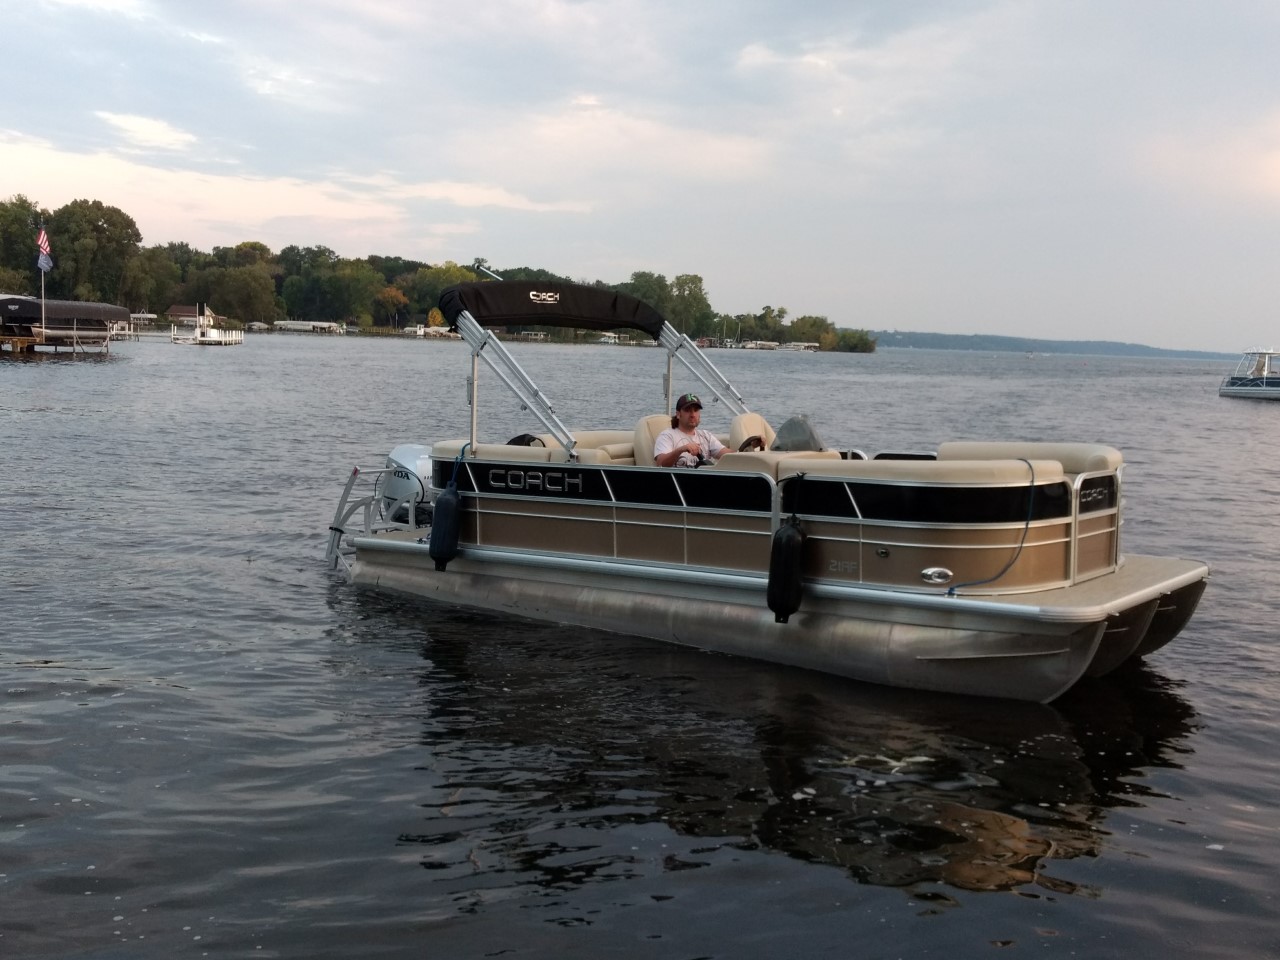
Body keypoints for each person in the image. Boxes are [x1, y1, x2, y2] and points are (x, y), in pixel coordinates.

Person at [653, 393, 727, 467]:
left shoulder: (706, 436)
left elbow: (728, 455)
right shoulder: (667, 436)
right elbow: (661, 463)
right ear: (678, 414)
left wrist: (738, 452)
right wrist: (681, 450)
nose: (693, 415)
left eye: (696, 410)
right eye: (688, 410)